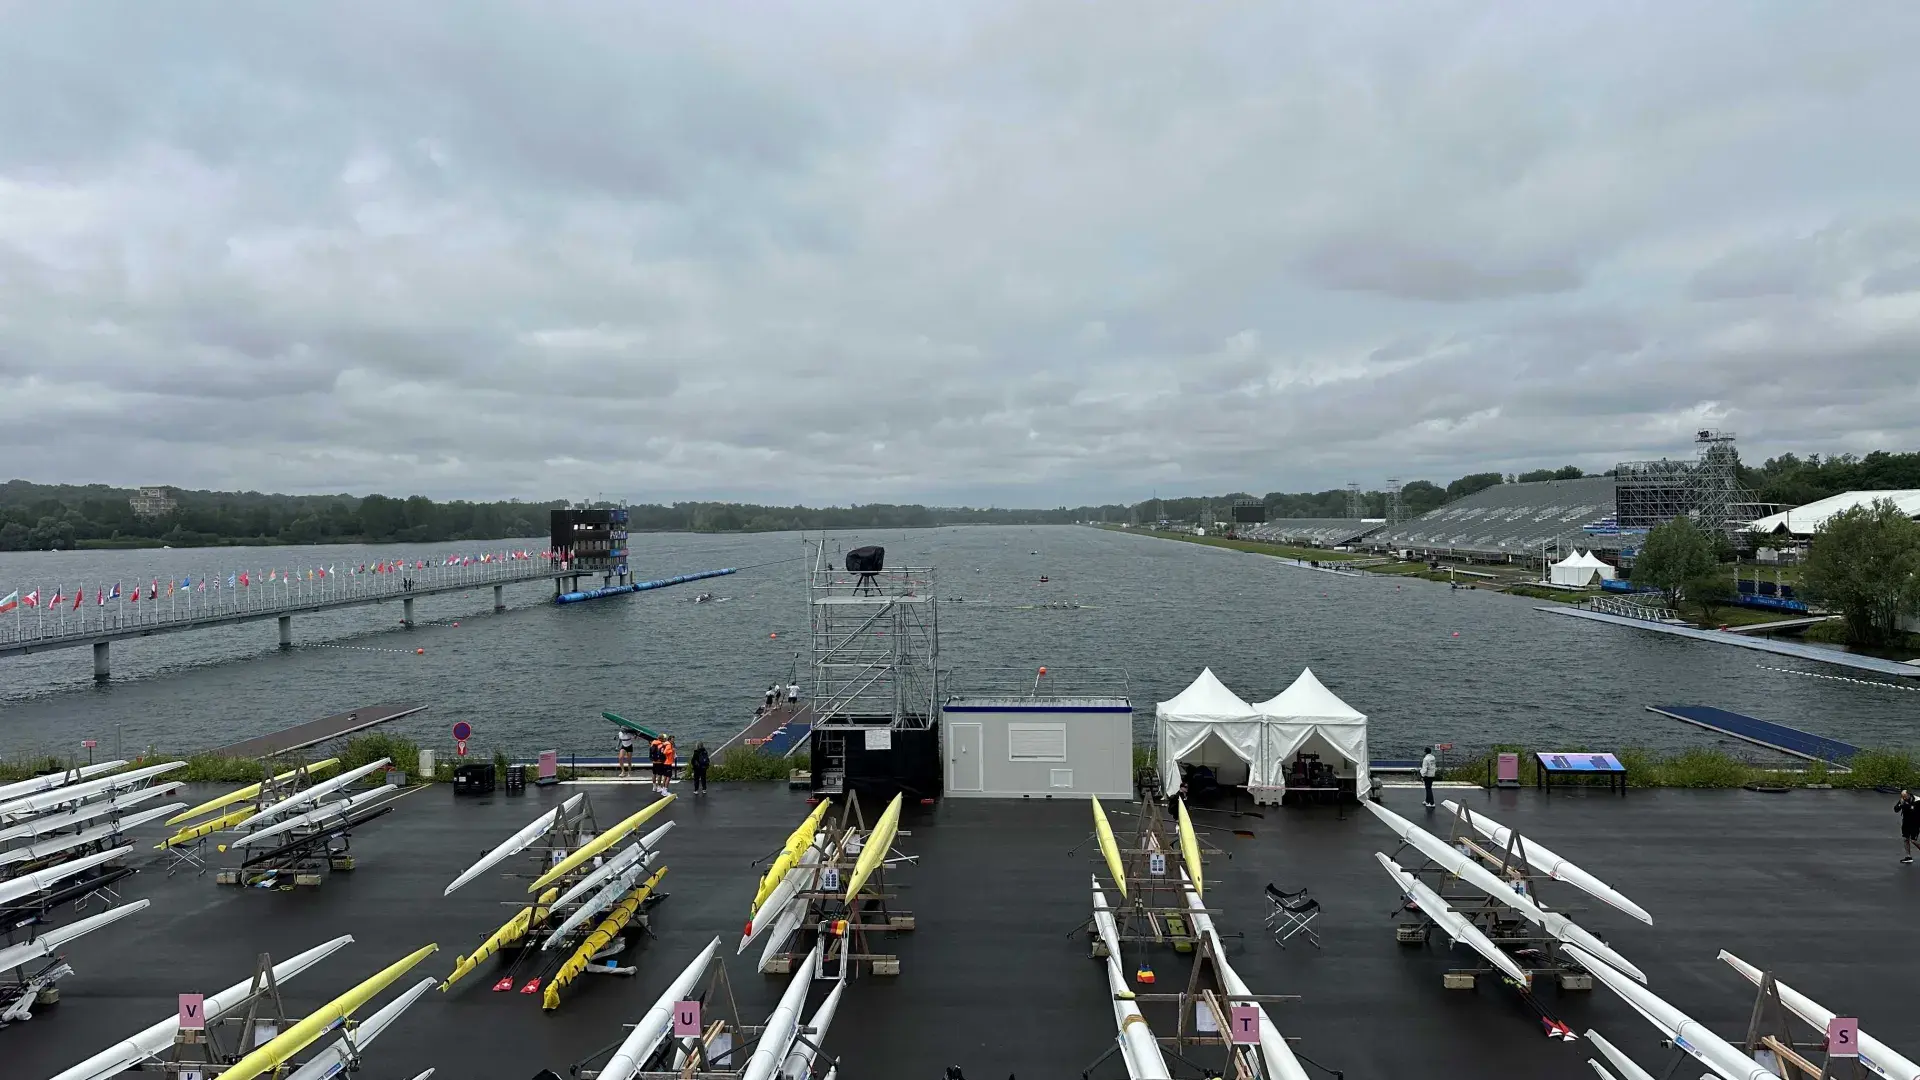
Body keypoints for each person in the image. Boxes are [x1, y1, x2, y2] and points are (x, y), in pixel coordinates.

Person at [1897, 789, 1919, 864]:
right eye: (1903, 797)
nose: (1904, 798)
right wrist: (1900, 804)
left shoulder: (1917, 800)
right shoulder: (1902, 800)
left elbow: (1913, 809)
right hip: (1906, 822)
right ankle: (1908, 856)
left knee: (1914, 841)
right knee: (1906, 839)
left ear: (1908, 794)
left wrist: (1906, 805)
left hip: (1915, 822)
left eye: (1905, 796)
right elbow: (1896, 809)